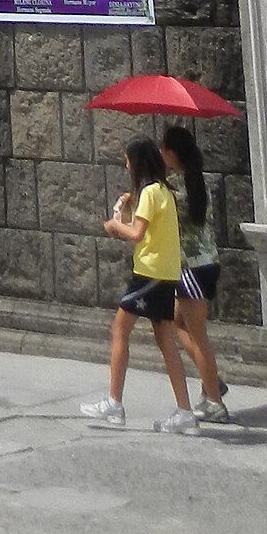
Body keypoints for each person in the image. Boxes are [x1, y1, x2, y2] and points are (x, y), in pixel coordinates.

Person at [81, 136, 198, 435]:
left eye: (127, 158)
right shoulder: (163, 191)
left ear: (137, 162)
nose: (125, 163)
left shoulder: (150, 192)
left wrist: (113, 225)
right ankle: (184, 411)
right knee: (165, 341)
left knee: (120, 329)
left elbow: (135, 233)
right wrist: (127, 207)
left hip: (149, 274)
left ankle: (114, 403)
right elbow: (147, 228)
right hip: (165, 272)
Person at [163, 123, 230, 424]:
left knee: (196, 336)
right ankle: (212, 379)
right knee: (178, 323)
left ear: (172, 153)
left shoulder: (175, 192)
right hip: (208, 264)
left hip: (189, 268)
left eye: (165, 149)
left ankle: (214, 398)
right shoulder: (197, 183)